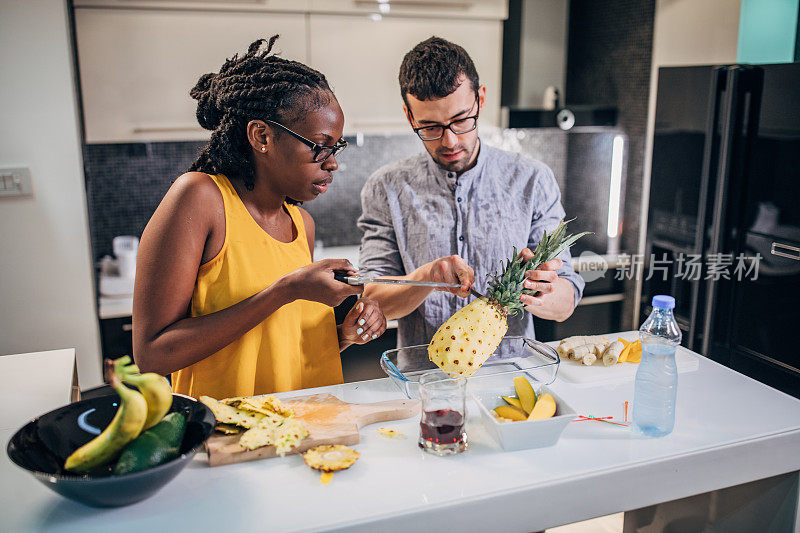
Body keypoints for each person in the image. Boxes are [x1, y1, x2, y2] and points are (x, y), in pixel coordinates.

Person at [132, 36, 386, 399]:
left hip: (307, 427)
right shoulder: (201, 199)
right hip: (229, 435)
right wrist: (285, 291)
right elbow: (152, 355)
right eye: (320, 146)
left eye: (337, 147)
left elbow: (279, 347)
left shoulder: (302, 226)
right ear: (261, 135)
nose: (333, 163)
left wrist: (344, 334)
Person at [357, 36, 584, 351]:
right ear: (410, 117)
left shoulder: (532, 179)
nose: (449, 141)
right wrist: (428, 276)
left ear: (480, 100)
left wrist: (542, 290)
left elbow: (566, 300)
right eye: (430, 127)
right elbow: (373, 301)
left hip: (510, 378)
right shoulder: (386, 188)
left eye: (461, 120)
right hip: (425, 384)